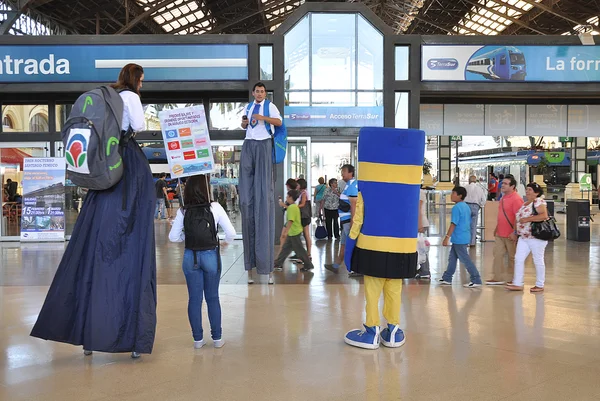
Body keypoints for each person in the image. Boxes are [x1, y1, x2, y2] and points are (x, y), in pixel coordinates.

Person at [30, 63, 156, 359]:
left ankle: (88, 337)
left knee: (92, 248)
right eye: (142, 80)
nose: (142, 85)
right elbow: (137, 126)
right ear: (136, 79)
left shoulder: (106, 96)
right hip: (128, 171)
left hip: (105, 176)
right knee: (132, 247)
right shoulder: (131, 98)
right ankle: (130, 336)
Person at [343, 127, 424, 350]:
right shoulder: (410, 188)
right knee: (394, 289)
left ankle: (371, 331)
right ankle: (393, 330)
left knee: (372, 289)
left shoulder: (367, 186)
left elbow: (358, 218)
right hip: (402, 247)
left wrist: (350, 246)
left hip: (372, 244)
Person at [168, 174, 236, 349]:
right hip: (210, 255)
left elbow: (173, 237)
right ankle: (217, 339)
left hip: (191, 256)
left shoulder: (183, 210)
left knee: (194, 299)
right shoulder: (215, 207)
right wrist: (223, 242)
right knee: (212, 297)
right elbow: (231, 233)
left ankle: (198, 340)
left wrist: (185, 237)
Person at [239, 82, 282, 285]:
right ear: (253, 93)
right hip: (249, 143)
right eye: (257, 91)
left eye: (262, 91)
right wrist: (245, 123)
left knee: (264, 197)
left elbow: (279, 122)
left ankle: (267, 268)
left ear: (265, 93)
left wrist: (262, 118)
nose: (259, 94)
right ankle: (250, 267)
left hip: (264, 143)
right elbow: (243, 124)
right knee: (247, 201)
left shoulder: (269, 106)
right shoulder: (248, 106)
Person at [506, 183, 549, 293]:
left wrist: (528, 219)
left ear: (537, 192)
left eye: (530, 190)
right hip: (524, 237)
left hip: (536, 237)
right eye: (527, 189)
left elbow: (544, 216)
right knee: (518, 259)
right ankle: (518, 283)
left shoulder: (538, 202)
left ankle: (540, 284)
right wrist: (515, 232)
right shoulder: (525, 204)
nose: (527, 191)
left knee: (538, 260)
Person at [439, 186, 483, 288]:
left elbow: (453, 223)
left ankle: (476, 279)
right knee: (452, 258)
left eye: (454, 193)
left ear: (460, 196)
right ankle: (447, 277)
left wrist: (447, 237)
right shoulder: (466, 206)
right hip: (463, 236)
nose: (451, 195)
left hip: (459, 238)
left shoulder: (456, 208)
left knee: (465, 259)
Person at [486, 174, 523, 286]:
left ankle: (513, 278)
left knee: (512, 257)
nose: (503, 185)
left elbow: (519, 218)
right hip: (500, 233)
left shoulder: (516, 199)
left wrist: (515, 232)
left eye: (506, 184)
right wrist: (497, 228)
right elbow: (501, 215)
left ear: (513, 187)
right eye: (503, 183)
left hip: (511, 234)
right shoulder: (503, 198)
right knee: (497, 255)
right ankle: (497, 277)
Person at [326, 164, 358, 274]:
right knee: (344, 243)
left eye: (344, 171)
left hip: (349, 221)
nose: (342, 173)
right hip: (345, 221)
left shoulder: (353, 185)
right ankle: (336, 265)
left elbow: (353, 205)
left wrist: (353, 222)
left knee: (352, 244)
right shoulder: (348, 185)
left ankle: (358, 269)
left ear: (351, 173)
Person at [274, 190, 314, 272]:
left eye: (287, 196)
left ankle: (308, 264)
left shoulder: (292, 208)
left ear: (290, 197)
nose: (286, 198)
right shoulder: (294, 206)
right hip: (293, 232)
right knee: (286, 248)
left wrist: (285, 232)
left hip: (294, 232)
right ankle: (278, 263)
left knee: (300, 250)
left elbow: (290, 221)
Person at [465, 175, 487, 246]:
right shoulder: (479, 188)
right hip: (475, 206)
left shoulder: (465, 187)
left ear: (469, 180)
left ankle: (466, 241)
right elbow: (483, 200)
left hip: (466, 206)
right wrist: (480, 205)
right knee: (473, 225)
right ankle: (472, 242)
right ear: (476, 181)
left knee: (466, 224)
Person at [415, 186, 431, 279]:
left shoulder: (419, 192)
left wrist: (419, 224)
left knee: (421, 248)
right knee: (419, 247)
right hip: (417, 222)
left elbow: (418, 209)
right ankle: (422, 270)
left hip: (420, 223)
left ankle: (425, 270)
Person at [296, 178, 312, 261]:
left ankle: (308, 254)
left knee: (306, 235)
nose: (296, 186)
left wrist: (293, 207)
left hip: (304, 216)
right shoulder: (302, 193)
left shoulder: (303, 193)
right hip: (304, 216)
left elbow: (302, 204)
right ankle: (307, 254)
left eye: (297, 184)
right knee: (305, 235)